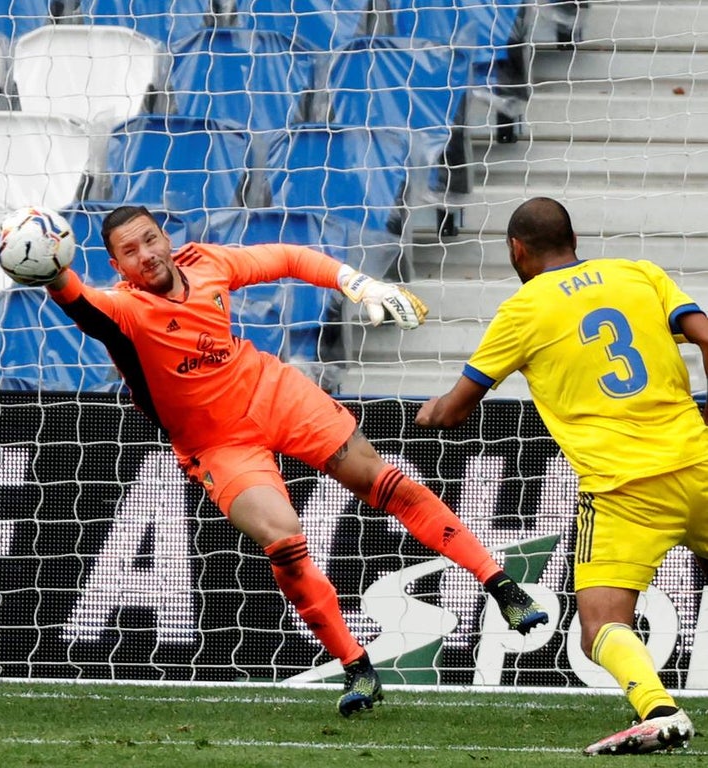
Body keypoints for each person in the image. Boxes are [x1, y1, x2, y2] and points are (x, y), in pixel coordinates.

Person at [39, 205, 548, 716]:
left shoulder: (208, 263)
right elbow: (77, 302)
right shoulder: (122, 310)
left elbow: (286, 257)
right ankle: (356, 668)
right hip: (219, 445)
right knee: (282, 538)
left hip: (271, 391)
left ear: (165, 237)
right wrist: (50, 271)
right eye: (131, 251)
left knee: (381, 479)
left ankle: (501, 586)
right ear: (116, 264)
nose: (147, 255)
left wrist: (358, 284)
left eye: (151, 240)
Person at [416, 197, 704, 754]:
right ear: (573, 238)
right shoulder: (638, 273)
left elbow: (453, 412)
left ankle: (659, 708)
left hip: (623, 493)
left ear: (517, 250)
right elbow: (707, 335)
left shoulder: (525, 309)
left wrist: (429, 412)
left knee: (601, 624)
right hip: (698, 459)